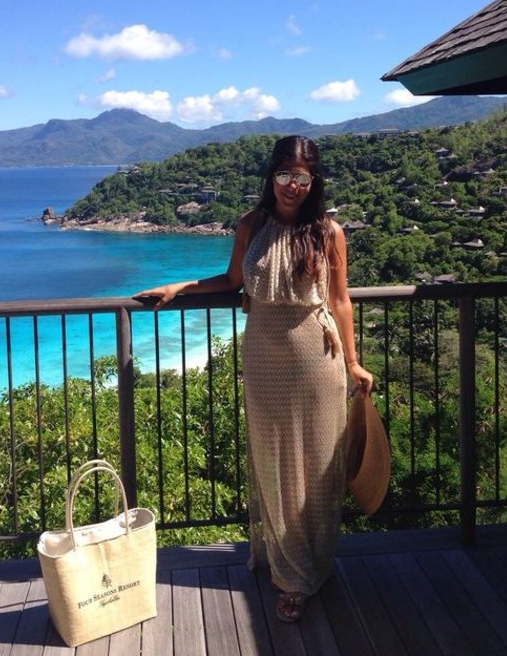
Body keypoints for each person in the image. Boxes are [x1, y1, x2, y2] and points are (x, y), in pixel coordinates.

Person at [133, 135, 374, 623]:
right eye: (284, 174)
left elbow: (340, 300)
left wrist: (352, 362)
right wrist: (180, 286)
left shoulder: (329, 232)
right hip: (264, 359)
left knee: (318, 466)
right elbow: (231, 282)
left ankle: (306, 568)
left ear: (314, 181)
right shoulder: (251, 224)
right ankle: (287, 565)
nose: (291, 185)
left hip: (317, 359)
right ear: (271, 176)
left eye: (301, 177)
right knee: (273, 463)